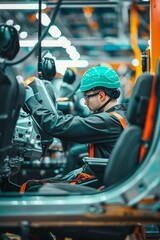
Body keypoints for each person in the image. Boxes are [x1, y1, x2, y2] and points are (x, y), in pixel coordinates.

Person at [24, 65, 129, 188]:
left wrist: (31, 101)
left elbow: (56, 125)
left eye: (87, 96)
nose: (85, 102)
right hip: (102, 175)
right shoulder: (120, 114)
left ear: (101, 96)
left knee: (32, 187)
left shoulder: (107, 121)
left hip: (99, 181)